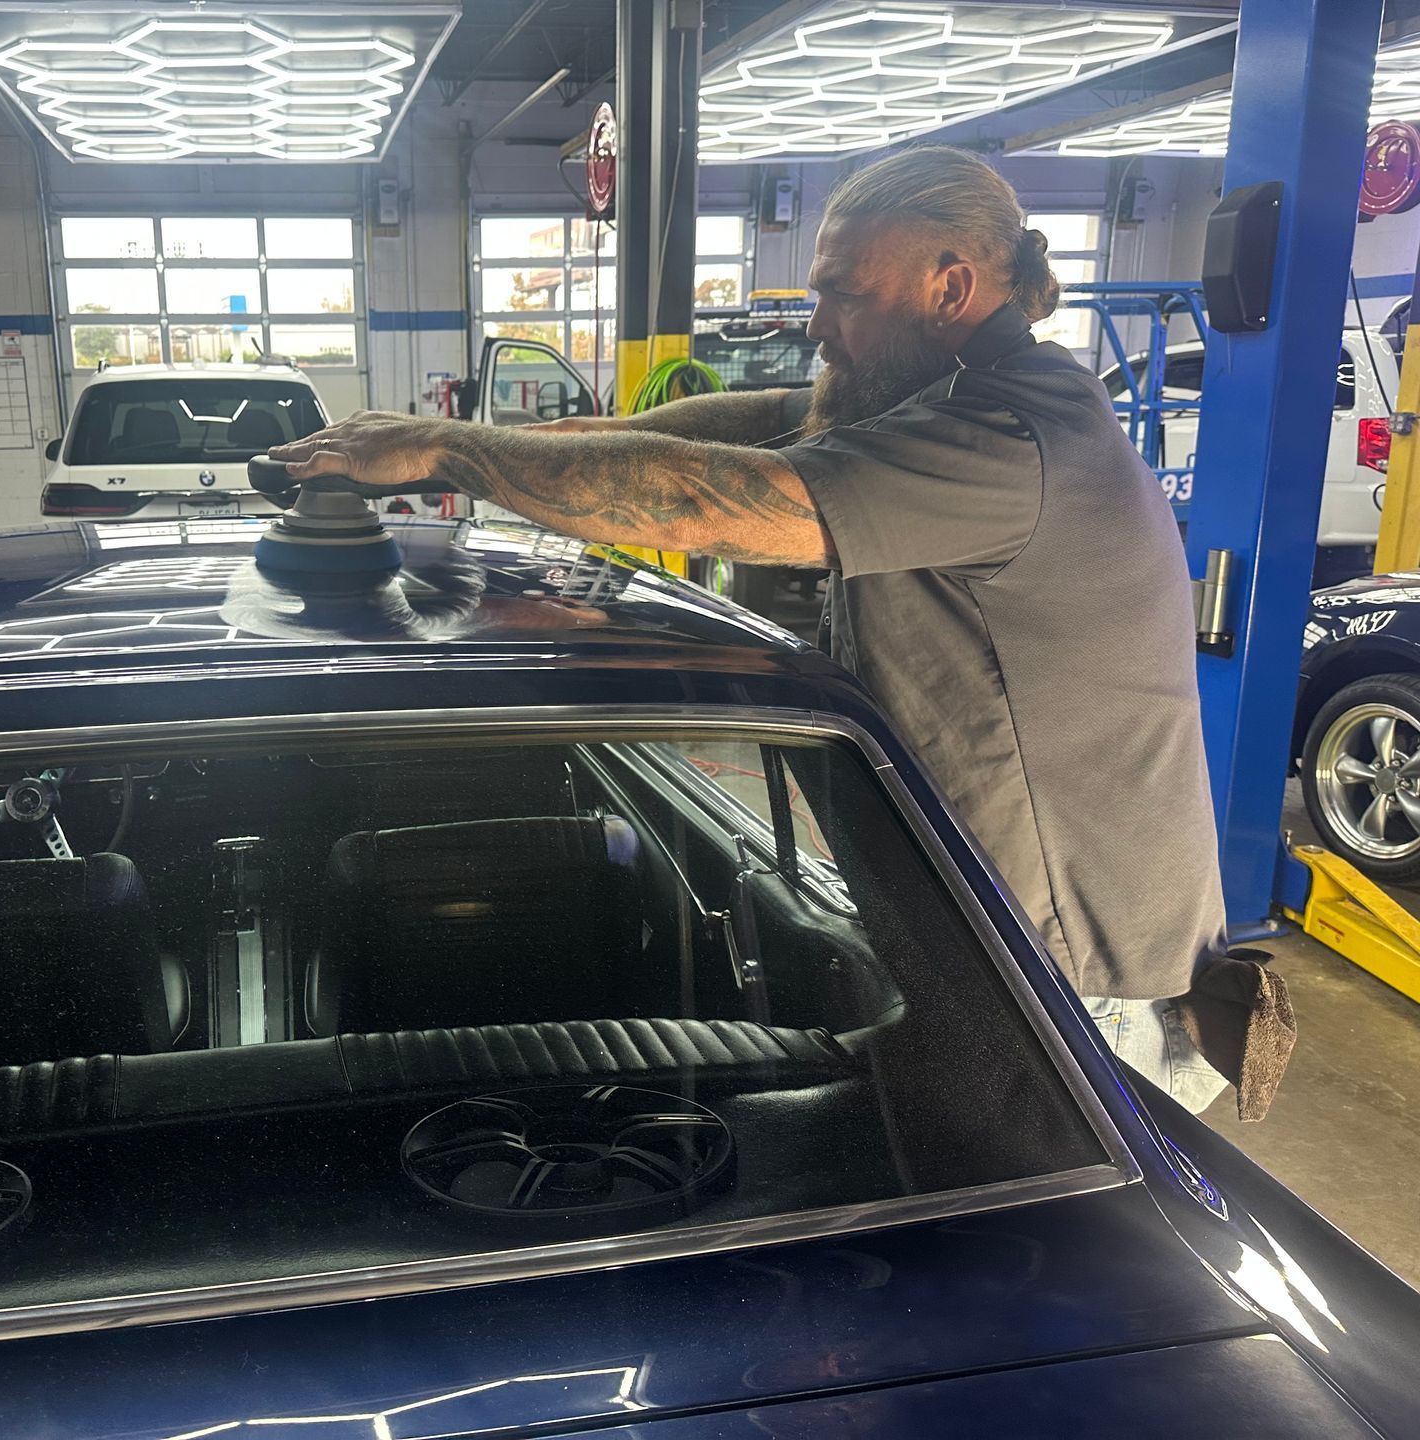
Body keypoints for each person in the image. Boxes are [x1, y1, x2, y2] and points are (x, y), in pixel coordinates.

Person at [271, 147, 1237, 1112]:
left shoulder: (1009, 437)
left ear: (952, 286)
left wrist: (450, 447)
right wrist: (462, 455)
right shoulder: (927, 398)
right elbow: (720, 433)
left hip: (1074, 993)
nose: (819, 329)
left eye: (844, 297)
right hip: (1006, 956)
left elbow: (704, 494)